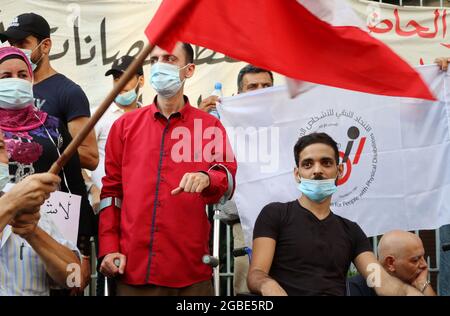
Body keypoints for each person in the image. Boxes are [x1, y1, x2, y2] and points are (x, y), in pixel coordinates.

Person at [98, 42, 237, 296]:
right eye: (154, 60)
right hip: (132, 271)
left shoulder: (209, 126)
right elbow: (111, 194)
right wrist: (108, 247)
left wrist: (207, 178)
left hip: (190, 275)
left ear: (189, 69)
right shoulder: (124, 126)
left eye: (170, 59)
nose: (160, 66)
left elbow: (226, 178)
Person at [248, 132, 423, 296]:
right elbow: (256, 274)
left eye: (326, 162)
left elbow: (381, 282)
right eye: (308, 164)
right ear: (297, 174)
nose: (317, 170)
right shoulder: (275, 214)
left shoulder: (351, 231)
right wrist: (267, 284)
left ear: (339, 171)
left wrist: (419, 287)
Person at [0, 46, 95, 291]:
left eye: (22, 75)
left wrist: (80, 247)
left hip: (46, 223)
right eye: (5, 76)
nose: (16, 82)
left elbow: (74, 183)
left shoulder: (51, 126)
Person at [198, 64, 274, 295]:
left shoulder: (288, 121)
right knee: (246, 289)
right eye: (252, 87)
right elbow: (198, 160)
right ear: (238, 95)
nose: (260, 92)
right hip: (243, 223)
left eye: (266, 87)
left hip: (288, 222)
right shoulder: (222, 123)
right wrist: (200, 119)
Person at [0, 13, 99, 171]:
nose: (15, 50)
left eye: (21, 43)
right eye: (11, 44)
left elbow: (90, 156)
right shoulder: (4, 89)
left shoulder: (68, 92)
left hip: (49, 191)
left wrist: (41, 149)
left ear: (45, 45)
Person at [0, 130, 80, 295]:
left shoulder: (31, 205)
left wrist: (32, 232)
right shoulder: (18, 197)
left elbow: (75, 279)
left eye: (0, 147)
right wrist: (11, 203)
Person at [89, 55, 144, 212]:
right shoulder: (97, 115)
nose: (121, 84)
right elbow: (77, 157)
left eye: (126, 78)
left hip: (138, 206)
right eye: (116, 78)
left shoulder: (149, 117)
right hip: (104, 205)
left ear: (141, 81)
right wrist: (92, 189)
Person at [348, 230, 436, 296]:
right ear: (390, 263)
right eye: (415, 260)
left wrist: (422, 284)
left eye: (423, 257)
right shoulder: (356, 289)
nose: (424, 264)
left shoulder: (414, 282)